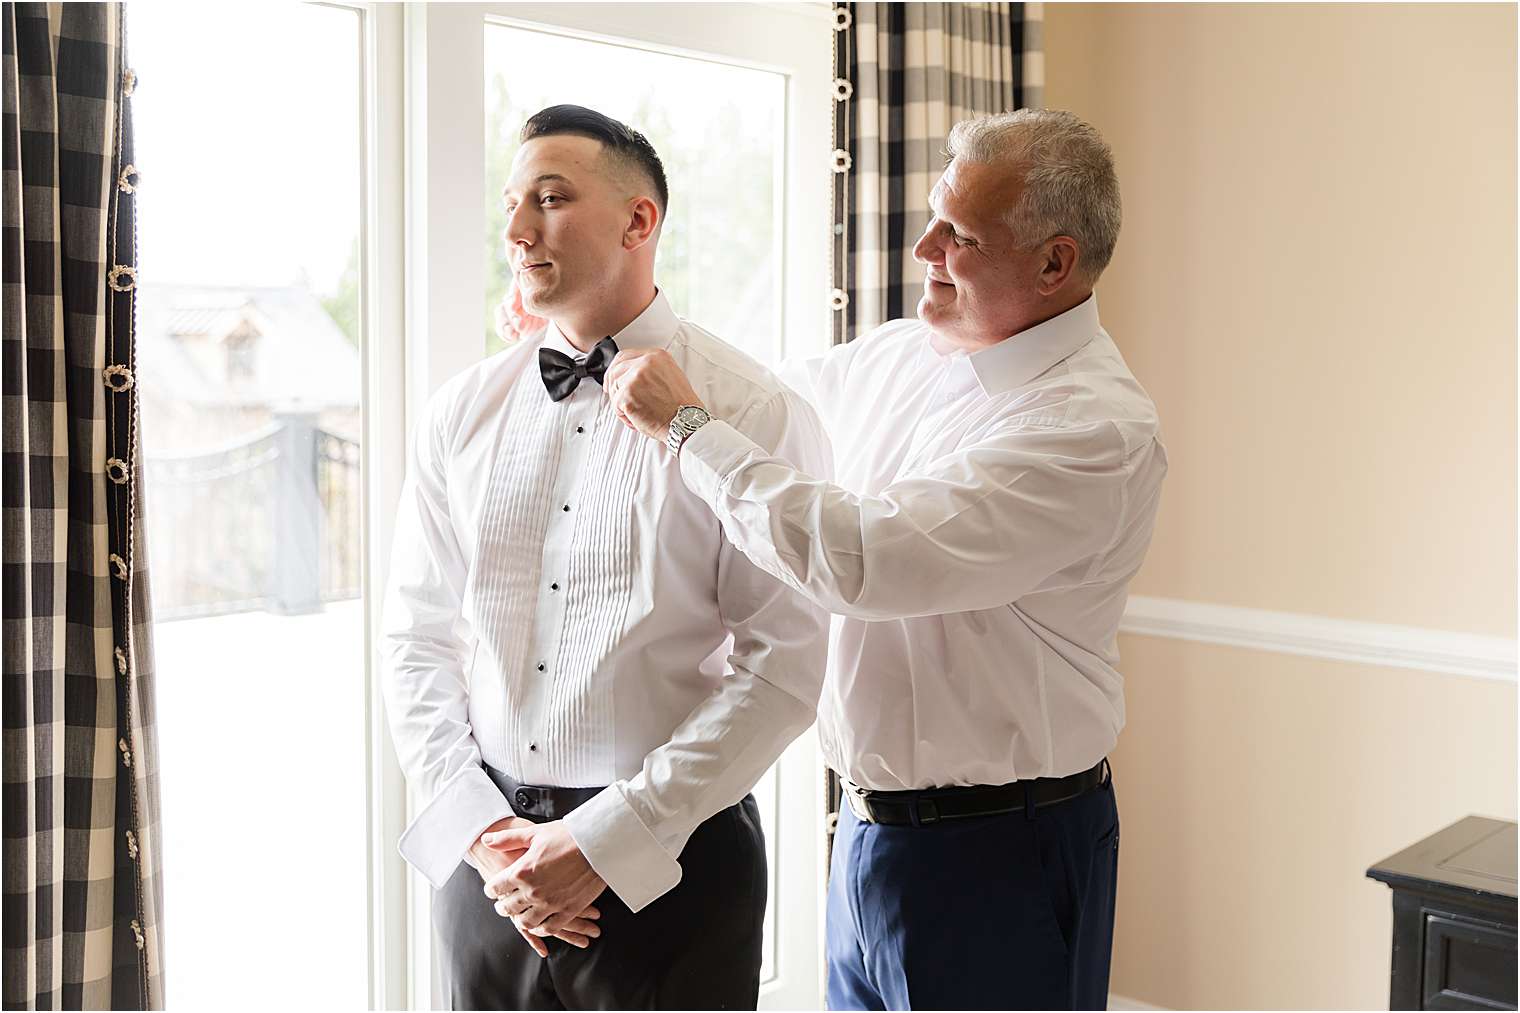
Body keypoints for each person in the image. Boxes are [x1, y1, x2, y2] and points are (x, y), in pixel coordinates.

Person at [605, 108, 1167, 1010]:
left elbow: (866, 561)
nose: (924, 248)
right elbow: (761, 405)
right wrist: (623, 327)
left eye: (960, 234)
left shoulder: (1094, 430)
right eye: (934, 214)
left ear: (1056, 263)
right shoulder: (904, 354)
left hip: (1006, 854)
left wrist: (684, 427)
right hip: (870, 834)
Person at [380, 103, 830, 1010]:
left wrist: (609, 838)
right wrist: (481, 831)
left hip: (671, 861)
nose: (515, 231)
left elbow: (783, 666)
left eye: (549, 199)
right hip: (488, 869)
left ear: (638, 221)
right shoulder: (460, 412)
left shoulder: (753, 411)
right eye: (513, 204)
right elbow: (416, 636)